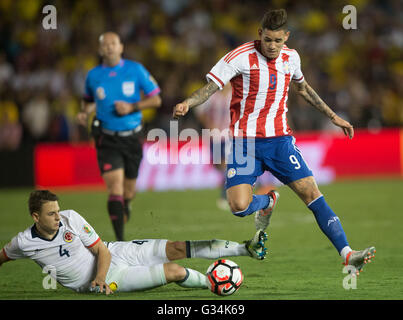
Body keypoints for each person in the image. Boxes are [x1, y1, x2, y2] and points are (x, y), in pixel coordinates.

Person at [173, 9, 375, 274]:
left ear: (286, 37)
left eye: (278, 41)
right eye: (268, 39)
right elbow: (210, 88)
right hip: (245, 144)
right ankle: (267, 202)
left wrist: (333, 116)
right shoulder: (239, 57)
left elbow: (303, 89)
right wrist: (188, 102)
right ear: (260, 34)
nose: (272, 46)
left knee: (312, 194)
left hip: (280, 142)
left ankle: (347, 254)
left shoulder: (291, 58)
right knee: (238, 206)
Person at [0, 190, 268, 294]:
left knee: (176, 247)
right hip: (105, 279)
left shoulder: (70, 218)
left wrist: (101, 273)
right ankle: (214, 285)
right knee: (175, 272)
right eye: (51, 214)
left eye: (58, 210)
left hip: (113, 255)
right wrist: (102, 279)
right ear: (36, 217)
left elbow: (101, 249)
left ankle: (246, 249)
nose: (58, 217)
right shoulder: (23, 243)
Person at [77, 32, 162, 241]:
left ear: (121, 47)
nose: (109, 47)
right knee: (114, 187)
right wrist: (85, 111)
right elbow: (87, 100)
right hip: (107, 139)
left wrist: (132, 106)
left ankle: (127, 203)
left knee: (128, 191)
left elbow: (156, 100)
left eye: (113, 43)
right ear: (100, 50)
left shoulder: (135, 69)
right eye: (105, 44)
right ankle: (120, 243)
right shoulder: (93, 75)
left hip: (132, 137)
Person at [195, 83, 232, 210]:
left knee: (226, 164)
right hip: (215, 136)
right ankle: (257, 184)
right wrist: (208, 124)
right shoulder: (213, 97)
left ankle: (225, 196)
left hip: (229, 135)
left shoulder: (234, 95)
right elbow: (199, 111)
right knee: (218, 165)